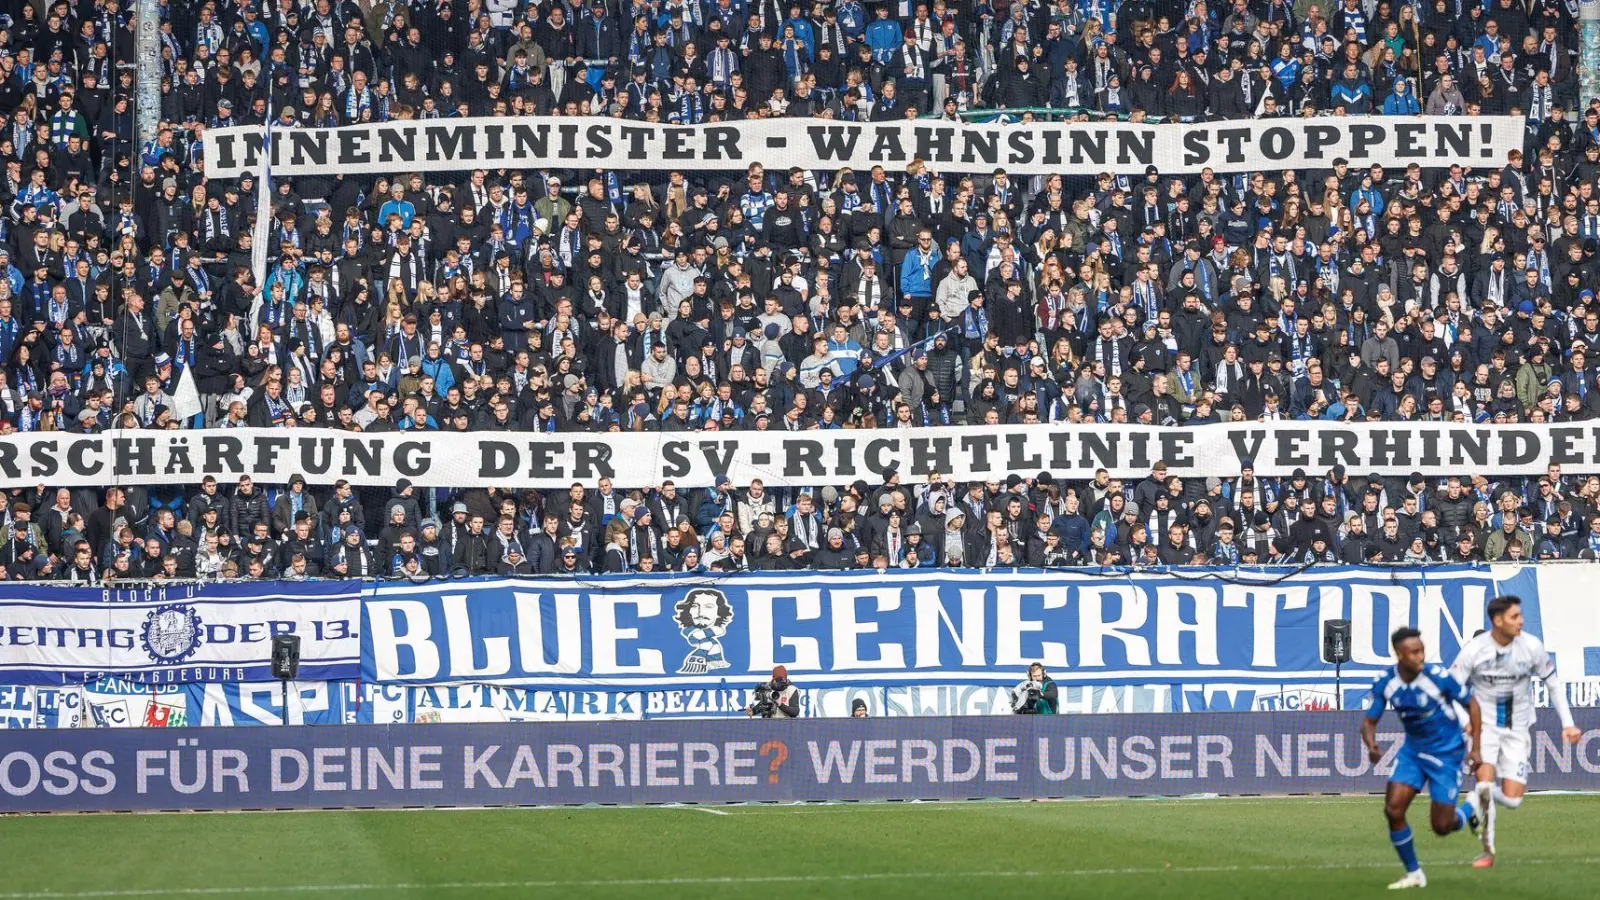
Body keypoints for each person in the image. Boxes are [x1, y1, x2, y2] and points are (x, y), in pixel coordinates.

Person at [1449, 595, 1582, 867]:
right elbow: (1449, 689)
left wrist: (1567, 723)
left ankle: (1476, 799)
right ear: (1497, 621)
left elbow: (1553, 684)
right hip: (1483, 729)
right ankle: (1487, 851)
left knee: (1512, 799)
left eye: (1520, 615)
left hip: (1518, 729)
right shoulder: (1475, 651)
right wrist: (1466, 721)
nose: (1521, 620)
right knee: (1485, 780)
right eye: (1514, 616)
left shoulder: (1531, 647)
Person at [1360, 627, 1481, 890]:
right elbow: (1369, 722)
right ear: (1399, 654)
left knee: (1442, 826)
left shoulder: (1437, 677)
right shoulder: (1386, 682)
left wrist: (1475, 749)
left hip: (1446, 753)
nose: (1420, 656)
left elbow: (1472, 704)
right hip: (1413, 753)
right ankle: (1414, 873)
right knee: (1393, 809)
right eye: (1414, 652)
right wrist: (1371, 745)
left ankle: (1473, 805)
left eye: (1422, 650)